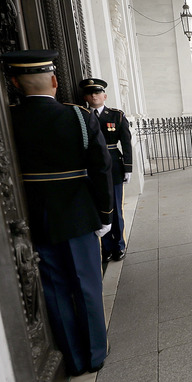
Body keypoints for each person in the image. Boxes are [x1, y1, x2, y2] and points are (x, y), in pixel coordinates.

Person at [0, 50, 114, 377]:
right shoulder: (78, 116)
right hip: (78, 213)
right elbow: (102, 167)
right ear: (54, 80)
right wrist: (105, 214)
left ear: (14, 83)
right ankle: (95, 354)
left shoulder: (8, 120)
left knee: (55, 288)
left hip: (34, 216)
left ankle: (75, 360)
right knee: (86, 284)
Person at [80, 77, 132, 262]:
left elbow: (126, 142)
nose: (94, 96)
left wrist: (128, 167)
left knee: (115, 208)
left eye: (97, 92)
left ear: (105, 95)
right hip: (91, 167)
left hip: (113, 166)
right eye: (90, 93)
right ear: (85, 96)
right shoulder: (81, 115)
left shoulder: (116, 115)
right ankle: (106, 248)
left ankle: (118, 245)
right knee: (98, 207)